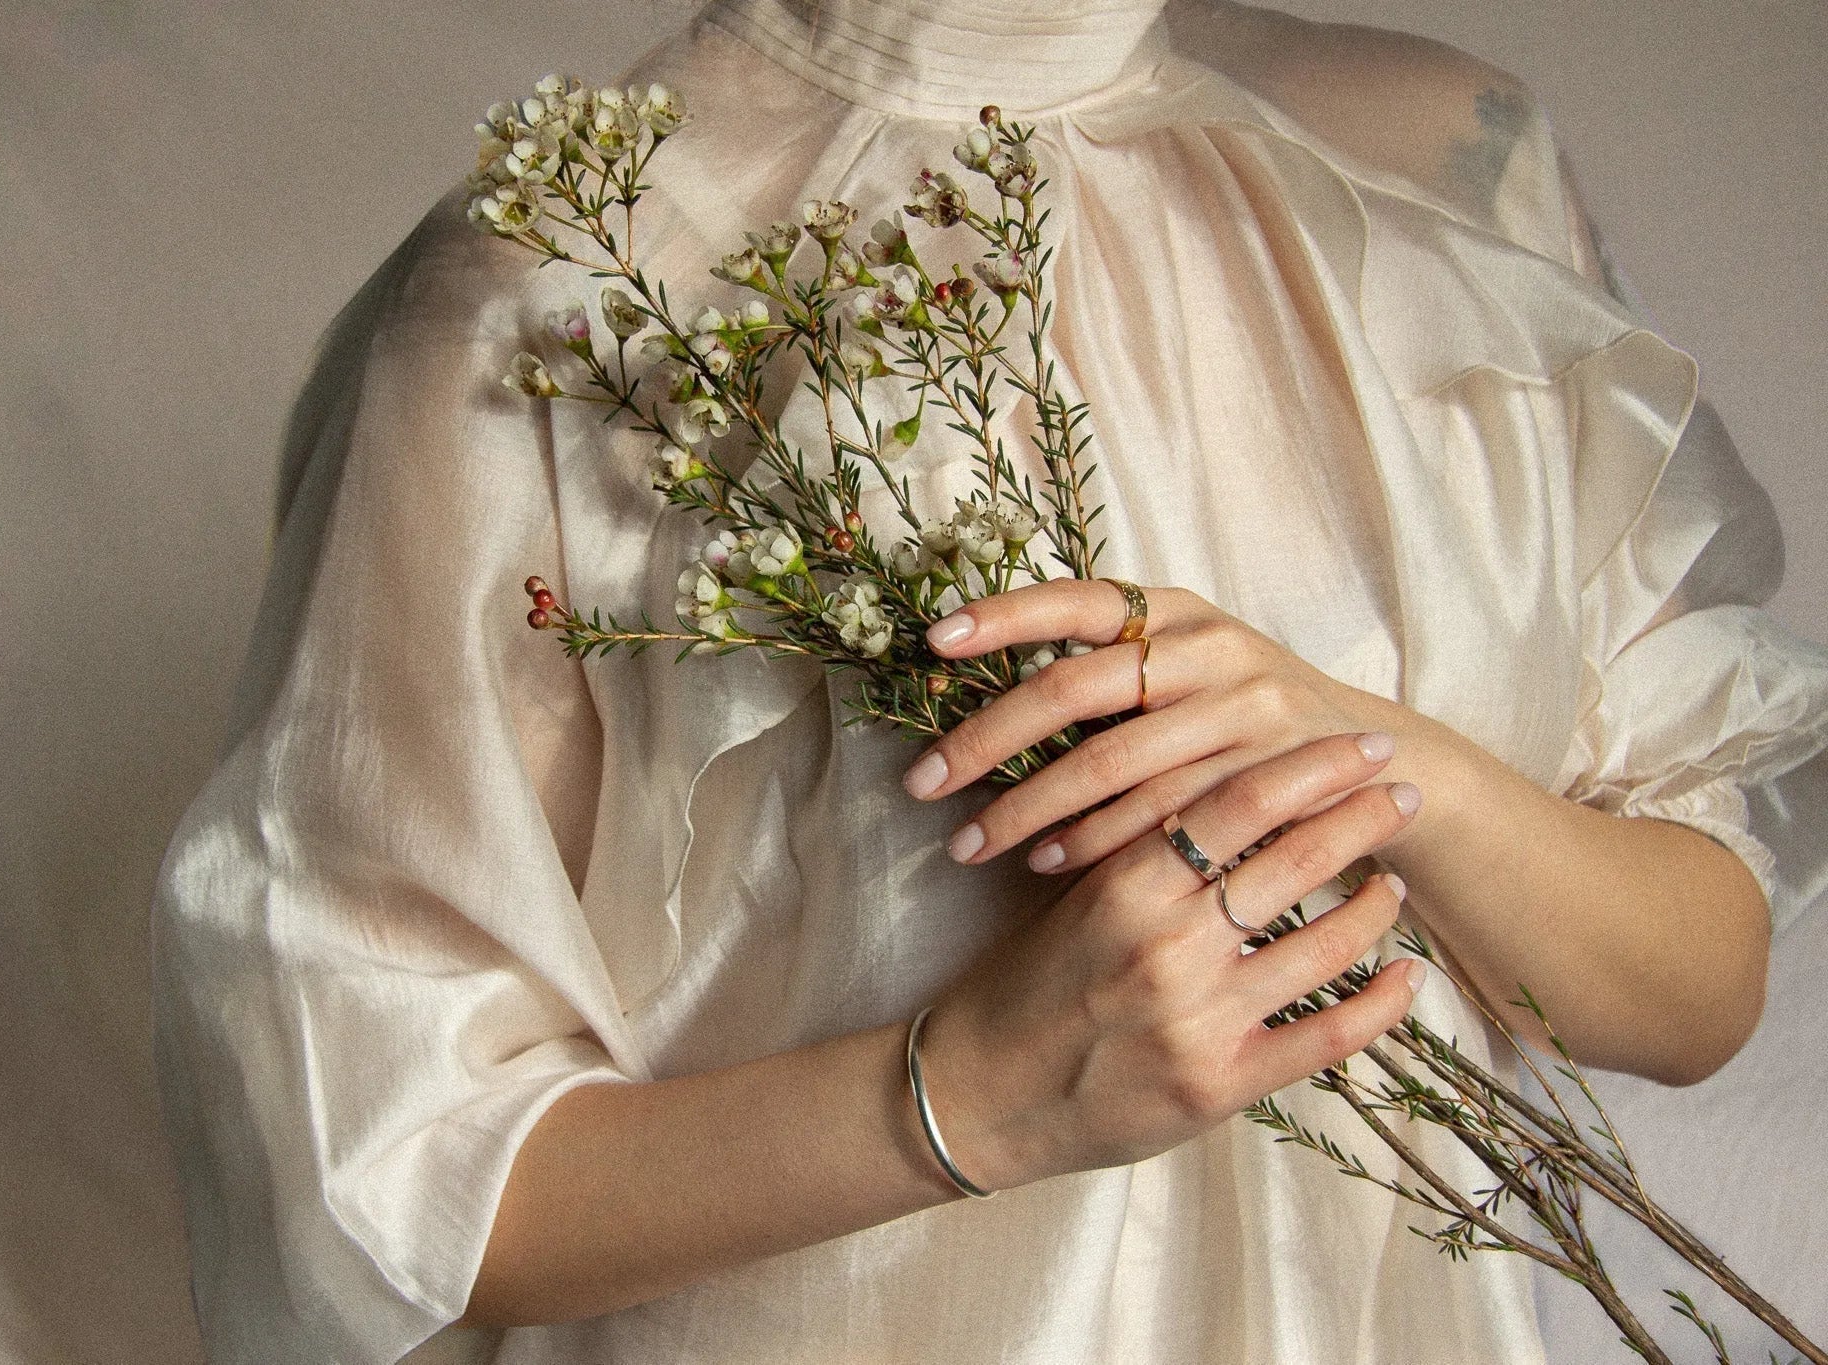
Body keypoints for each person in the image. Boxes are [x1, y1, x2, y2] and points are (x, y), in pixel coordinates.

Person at [151, 0, 1828, 1360]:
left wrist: (1381, 766)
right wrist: (974, 1095)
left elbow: (1698, 984)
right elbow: (376, 1164)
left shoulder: (1445, 170)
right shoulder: (550, 296)